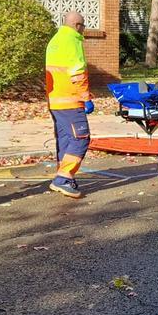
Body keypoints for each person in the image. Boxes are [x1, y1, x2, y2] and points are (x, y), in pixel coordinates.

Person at [45, 12, 96, 198]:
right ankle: (63, 178)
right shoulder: (72, 41)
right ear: (76, 25)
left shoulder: (55, 40)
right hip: (71, 101)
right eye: (83, 26)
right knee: (81, 138)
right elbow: (78, 74)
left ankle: (63, 175)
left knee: (65, 139)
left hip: (56, 101)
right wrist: (86, 98)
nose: (83, 29)